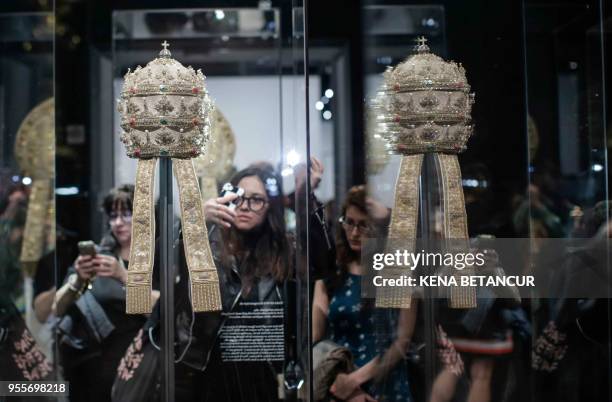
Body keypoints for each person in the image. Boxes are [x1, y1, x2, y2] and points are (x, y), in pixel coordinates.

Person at [53, 184, 159, 402]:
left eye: (127, 214)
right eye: (113, 215)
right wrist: (78, 280)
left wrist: (124, 275)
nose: (118, 223)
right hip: (86, 365)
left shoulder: (159, 256)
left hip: (133, 367)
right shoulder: (101, 254)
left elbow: (164, 310)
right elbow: (57, 307)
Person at [312, 185, 416, 402]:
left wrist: (355, 380)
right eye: (349, 223)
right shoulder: (333, 272)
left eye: (364, 225)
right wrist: (342, 379)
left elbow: (402, 340)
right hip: (339, 381)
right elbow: (314, 336)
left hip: (384, 380)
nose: (355, 233)